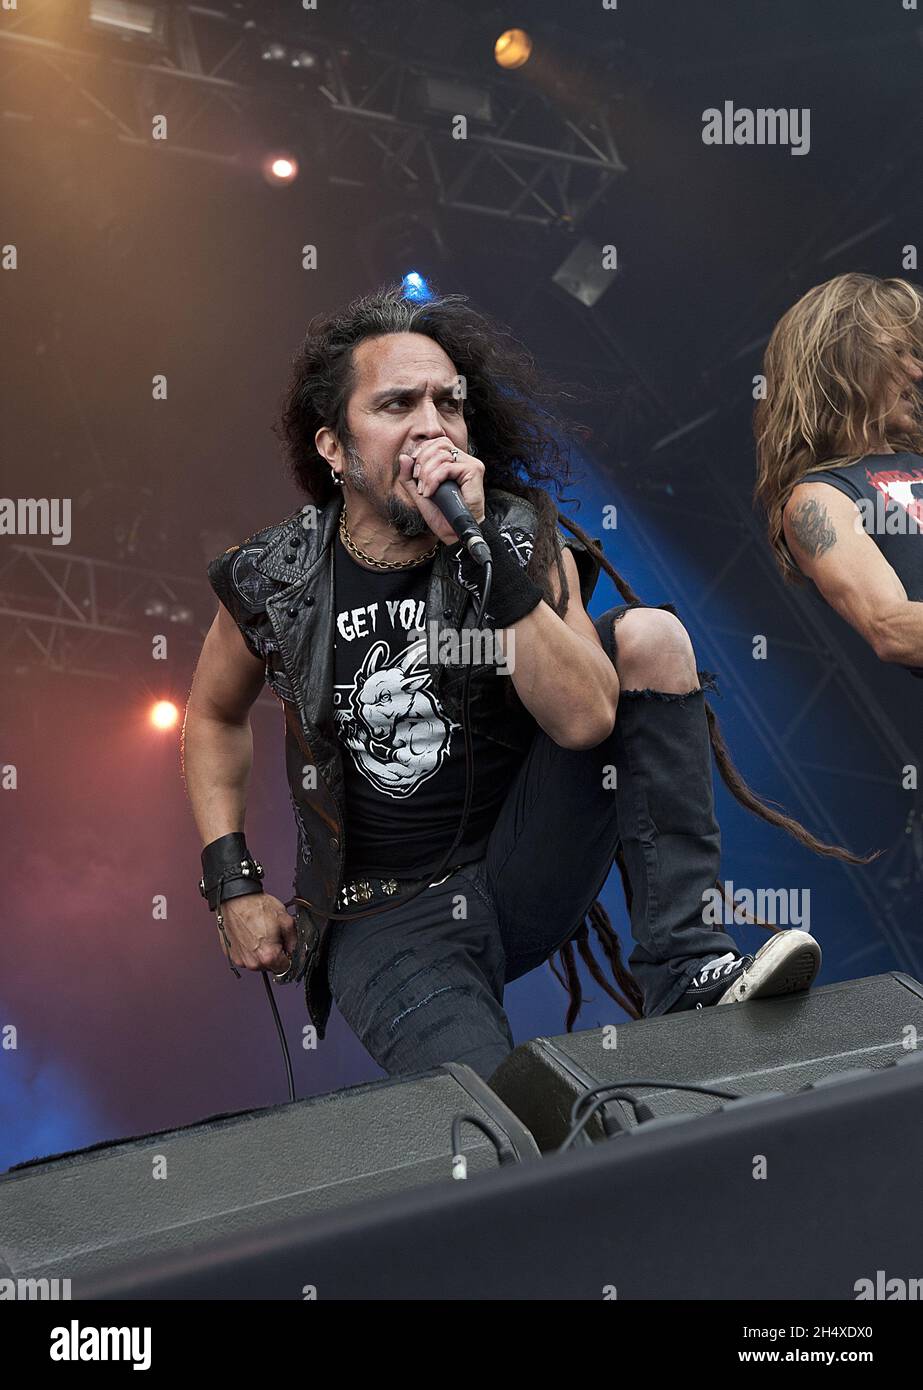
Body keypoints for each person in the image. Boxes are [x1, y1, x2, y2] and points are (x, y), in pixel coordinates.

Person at [182, 285, 857, 1083]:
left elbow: (584, 720)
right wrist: (232, 881)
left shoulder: (511, 532)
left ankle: (685, 968)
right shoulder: (273, 576)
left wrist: (487, 560)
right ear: (333, 447)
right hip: (382, 915)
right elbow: (213, 715)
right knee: (504, 1121)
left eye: (447, 403)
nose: (430, 425)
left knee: (648, 636)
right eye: (396, 404)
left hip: (519, 863)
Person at [755, 272, 923, 676]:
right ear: (848, 365)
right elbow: (890, 627)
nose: (916, 371)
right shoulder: (820, 498)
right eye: (897, 354)